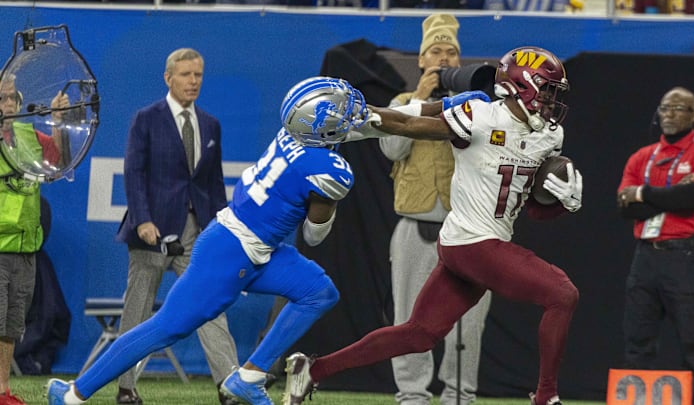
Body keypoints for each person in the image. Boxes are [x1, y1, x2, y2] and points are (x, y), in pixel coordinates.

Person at [45, 76, 373, 405]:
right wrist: (327, 207)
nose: (348, 114)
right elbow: (315, 236)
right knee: (164, 328)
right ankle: (74, 395)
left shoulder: (295, 132)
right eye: (338, 110)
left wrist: (420, 113)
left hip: (258, 247)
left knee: (318, 291)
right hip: (230, 252)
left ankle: (250, 376)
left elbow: (368, 125)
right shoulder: (328, 170)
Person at [284, 46, 583, 405]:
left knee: (418, 334)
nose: (552, 101)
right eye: (548, 90)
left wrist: (563, 200)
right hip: (474, 243)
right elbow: (411, 124)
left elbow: (533, 209)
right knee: (562, 293)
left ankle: (312, 371)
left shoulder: (549, 136)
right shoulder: (482, 115)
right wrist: (361, 122)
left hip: (474, 244)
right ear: (523, 85)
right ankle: (546, 396)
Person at [112, 48, 239, 405]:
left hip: (198, 235)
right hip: (152, 235)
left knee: (210, 307)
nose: (193, 81)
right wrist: (143, 220)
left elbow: (213, 185)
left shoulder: (210, 124)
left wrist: (224, 231)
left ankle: (229, 386)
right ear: (168, 78)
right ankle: (125, 387)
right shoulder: (146, 119)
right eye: (185, 74)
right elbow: (133, 173)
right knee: (138, 312)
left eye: (198, 74)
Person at [378, 13, 491, 405]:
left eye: (451, 53)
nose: (444, 59)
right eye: (436, 52)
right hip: (415, 224)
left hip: (467, 228)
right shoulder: (400, 104)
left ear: (460, 63)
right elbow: (392, 150)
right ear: (422, 60)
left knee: (469, 322)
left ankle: (460, 394)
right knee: (410, 317)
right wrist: (418, 102)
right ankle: (412, 394)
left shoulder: (479, 107)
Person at [616, 86, 694, 405]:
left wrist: (643, 194)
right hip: (646, 256)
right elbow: (625, 208)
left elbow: (693, 199)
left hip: (684, 257)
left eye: (678, 108)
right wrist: (667, 195)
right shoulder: (641, 157)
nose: (669, 114)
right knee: (638, 340)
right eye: (664, 108)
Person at [0, 74, 68, 405]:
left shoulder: (28, 136)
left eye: (13, 97)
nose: (9, 104)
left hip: (25, 248)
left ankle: (3, 391)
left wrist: (57, 122)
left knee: (11, 327)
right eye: (2, 98)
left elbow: (58, 161)